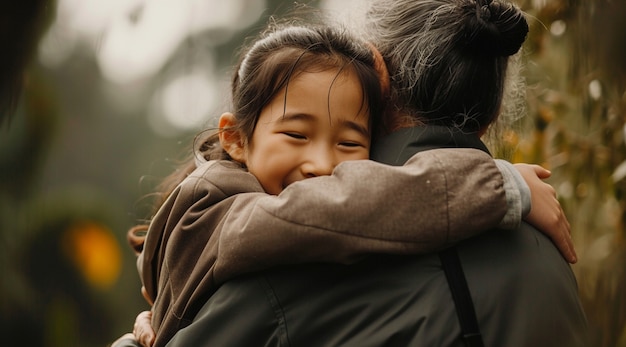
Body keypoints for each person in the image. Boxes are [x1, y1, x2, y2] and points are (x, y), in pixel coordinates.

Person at [119, 1, 587, 346]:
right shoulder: (553, 256)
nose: (323, 166)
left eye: (347, 142)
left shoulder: (292, 269)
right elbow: (344, 206)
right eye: (297, 135)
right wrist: (501, 183)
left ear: (377, 73)